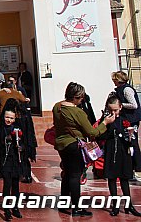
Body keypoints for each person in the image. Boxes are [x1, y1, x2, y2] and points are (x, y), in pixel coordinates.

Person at [53, 82, 114, 217]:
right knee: (75, 175)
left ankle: (64, 204)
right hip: (74, 145)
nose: (82, 100)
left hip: (61, 144)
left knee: (67, 174)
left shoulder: (57, 107)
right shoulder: (77, 112)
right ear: (77, 97)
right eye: (81, 98)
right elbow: (91, 133)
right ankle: (76, 208)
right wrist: (105, 123)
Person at [98, 94, 141, 216]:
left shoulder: (125, 119)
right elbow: (99, 136)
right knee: (111, 178)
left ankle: (129, 206)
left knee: (124, 179)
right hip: (111, 152)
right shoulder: (105, 120)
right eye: (110, 110)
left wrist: (129, 135)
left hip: (124, 152)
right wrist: (106, 124)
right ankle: (115, 206)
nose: (113, 112)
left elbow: (131, 139)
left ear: (121, 107)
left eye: (115, 110)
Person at [0, 99, 30, 220]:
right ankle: (6, 210)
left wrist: (20, 146)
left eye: (12, 118)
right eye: (7, 117)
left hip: (16, 160)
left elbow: (24, 143)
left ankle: (15, 207)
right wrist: (6, 139)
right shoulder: (0, 128)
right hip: (5, 160)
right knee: (7, 185)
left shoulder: (17, 128)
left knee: (16, 185)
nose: (9, 120)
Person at [112, 71, 141, 174]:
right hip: (127, 119)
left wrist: (120, 105)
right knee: (128, 142)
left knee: (132, 142)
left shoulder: (127, 90)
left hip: (132, 119)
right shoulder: (119, 90)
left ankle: (138, 166)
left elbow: (134, 105)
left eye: (114, 80)